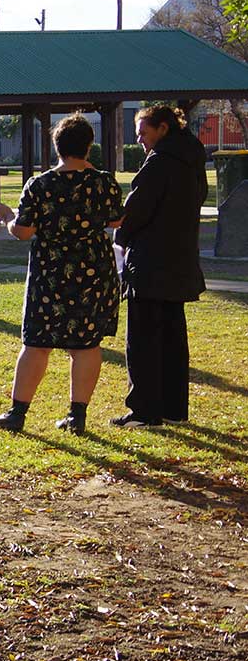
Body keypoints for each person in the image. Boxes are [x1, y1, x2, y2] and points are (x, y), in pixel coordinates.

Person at [0, 114, 123, 435]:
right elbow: (116, 221)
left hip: (51, 272)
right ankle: (77, 416)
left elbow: (23, 232)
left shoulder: (40, 185)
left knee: (37, 342)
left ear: (56, 146)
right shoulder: (105, 182)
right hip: (94, 270)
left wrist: (7, 217)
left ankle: (17, 413)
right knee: (87, 344)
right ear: (89, 146)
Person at [111, 105, 209, 429]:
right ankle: (174, 408)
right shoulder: (193, 161)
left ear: (163, 128)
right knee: (172, 339)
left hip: (150, 264)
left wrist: (120, 237)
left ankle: (144, 411)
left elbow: (136, 210)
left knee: (142, 340)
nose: (139, 139)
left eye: (143, 132)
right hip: (180, 261)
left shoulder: (159, 163)